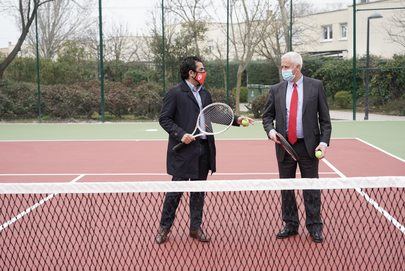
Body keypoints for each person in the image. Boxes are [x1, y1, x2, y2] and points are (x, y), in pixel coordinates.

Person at [155, 56, 252, 244]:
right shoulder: (175, 93)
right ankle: (164, 228)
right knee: (175, 193)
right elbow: (164, 119)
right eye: (201, 70)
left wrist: (236, 120)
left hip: (204, 149)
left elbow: (213, 114)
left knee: (198, 192)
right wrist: (181, 134)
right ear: (191, 73)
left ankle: (195, 228)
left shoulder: (205, 93)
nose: (203, 73)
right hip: (184, 152)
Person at [262, 52, 331, 243]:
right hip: (284, 146)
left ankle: (315, 227)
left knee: (311, 187)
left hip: (309, 146)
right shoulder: (276, 89)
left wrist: (323, 143)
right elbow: (267, 117)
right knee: (287, 187)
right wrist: (271, 132)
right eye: (282, 66)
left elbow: (325, 120)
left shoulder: (315, 86)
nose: (283, 70)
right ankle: (290, 224)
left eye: (286, 67)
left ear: (297, 68)